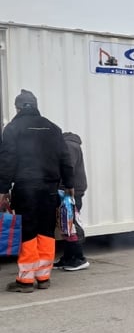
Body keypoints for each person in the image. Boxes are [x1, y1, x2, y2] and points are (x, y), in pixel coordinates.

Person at [0, 89, 74, 293]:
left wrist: (3, 190)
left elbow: (7, 161)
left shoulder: (13, 129)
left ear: (17, 107)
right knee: (47, 232)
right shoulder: (53, 128)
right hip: (50, 190)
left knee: (28, 233)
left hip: (25, 189)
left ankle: (25, 281)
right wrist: (69, 187)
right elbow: (65, 161)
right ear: (35, 105)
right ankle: (43, 277)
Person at [55, 132, 89, 271]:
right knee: (67, 226)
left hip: (69, 193)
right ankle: (69, 258)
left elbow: (67, 169)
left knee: (71, 225)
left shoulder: (68, 146)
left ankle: (78, 258)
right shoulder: (70, 145)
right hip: (71, 191)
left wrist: (62, 189)